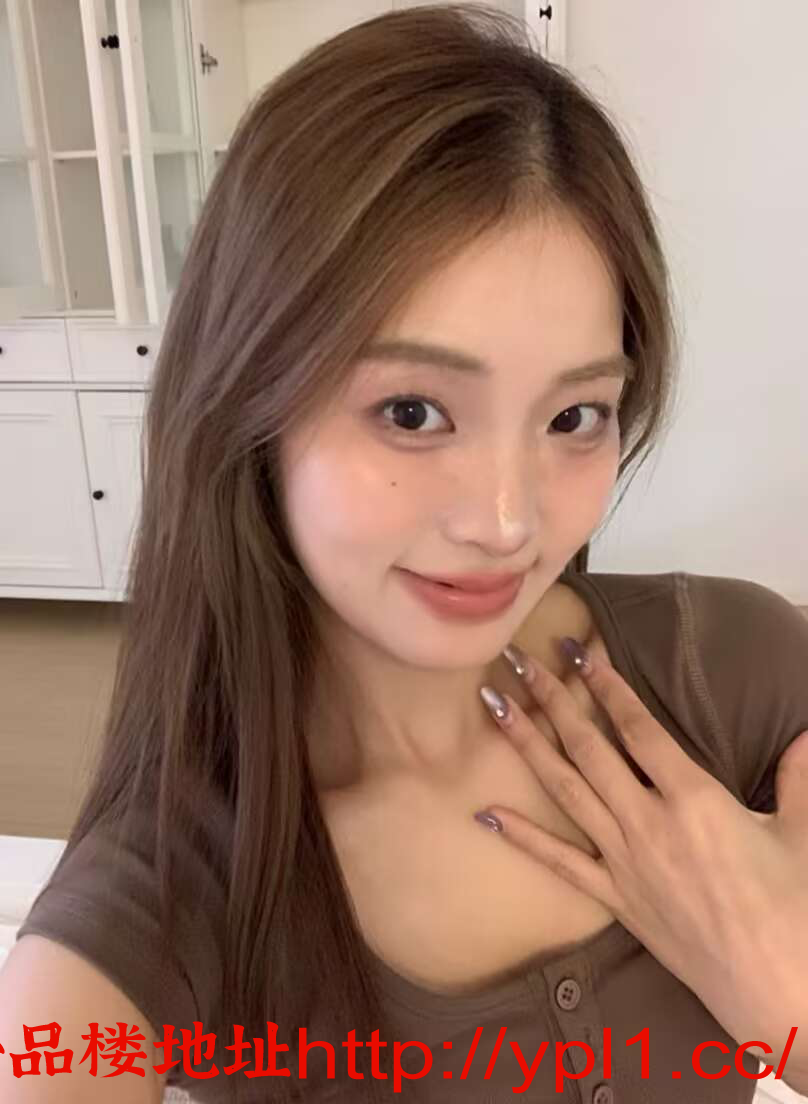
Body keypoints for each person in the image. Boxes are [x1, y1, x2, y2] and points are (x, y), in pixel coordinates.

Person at [2, 4, 807, 1103]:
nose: (507, 521)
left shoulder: (734, 673)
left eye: (573, 417)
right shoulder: (166, 900)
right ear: (249, 406)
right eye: (414, 412)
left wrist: (783, 995)